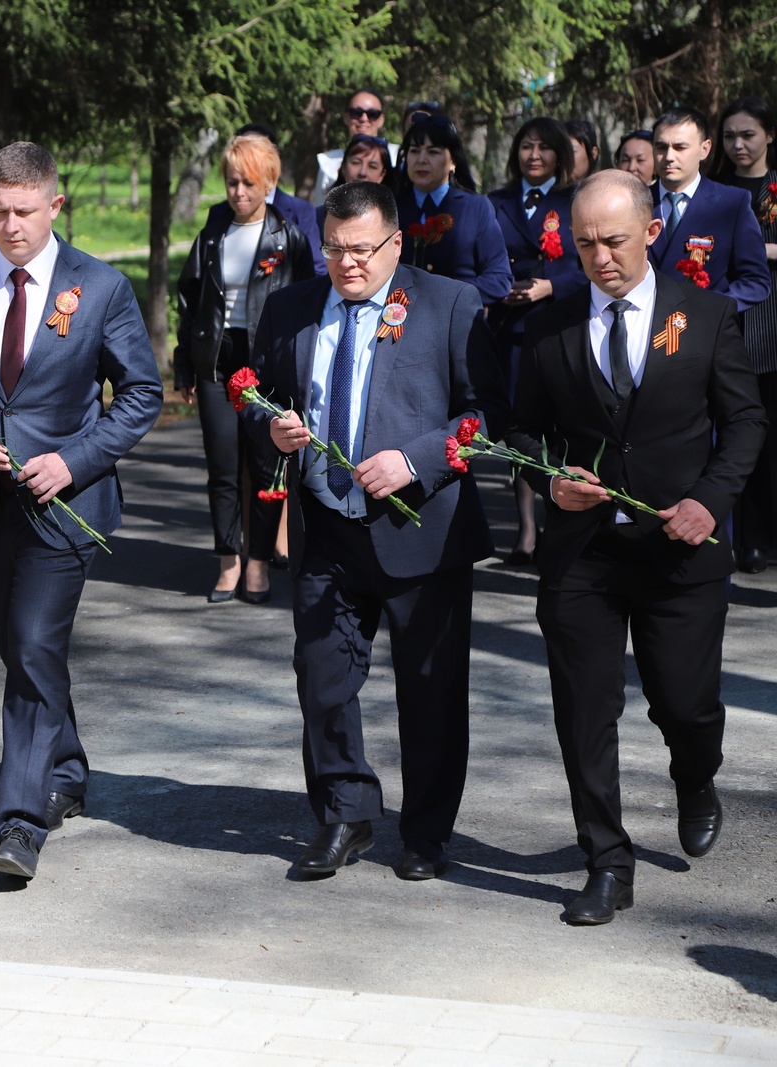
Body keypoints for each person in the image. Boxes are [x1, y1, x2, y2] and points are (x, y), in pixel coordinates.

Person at [507, 170, 765, 924]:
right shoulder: (548, 328)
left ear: (652, 233)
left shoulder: (708, 315)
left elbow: (746, 423)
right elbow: (520, 429)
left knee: (684, 705)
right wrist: (552, 478)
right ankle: (607, 862)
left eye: (614, 240)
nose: (599, 258)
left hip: (680, 551)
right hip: (583, 552)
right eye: (584, 243)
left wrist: (709, 502)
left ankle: (696, 775)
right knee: (584, 711)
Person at [0, 142, 162, 880]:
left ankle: (18, 824)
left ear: (55, 205)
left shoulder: (102, 287)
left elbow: (140, 394)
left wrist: (76, 458)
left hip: (65, 506)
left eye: (24, 211)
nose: (11, 226)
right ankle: (68, 766)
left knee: (30, 644)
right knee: (26, 648)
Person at [243, 181, 508, 882]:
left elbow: (485, 419)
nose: (347, 264)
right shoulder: (292, 306)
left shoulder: (448, 304)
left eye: (362, 250)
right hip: (327, 525)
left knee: (430, 692)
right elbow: (258, 399)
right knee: (322, 681)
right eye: (333, 248)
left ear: (396, 243)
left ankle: (425, 831)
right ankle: (345, 812)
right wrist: (272, 426)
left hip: (422, 530)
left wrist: (416, 460)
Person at [174, 133, 317, 604]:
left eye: (249, 183)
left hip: (264, 367)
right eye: (232, 182)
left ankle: (258, 565)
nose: (238, 193)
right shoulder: (212, 232)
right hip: (216, 359)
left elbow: (302, 307)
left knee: (264, 465)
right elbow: (189, 301)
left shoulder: (288, 238)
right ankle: (228, 562)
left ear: (269, 182)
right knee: (221, 468)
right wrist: (183, 367)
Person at [486, 117, 585, 564]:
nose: (534, 155)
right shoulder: (497, 202)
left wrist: (551, 286)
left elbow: (591, 261)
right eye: (526, 146)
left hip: (560, 322)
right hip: (510, 327)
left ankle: (557, 516)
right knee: (519, 427)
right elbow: (483, 256)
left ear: (559, 155)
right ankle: (525, 528)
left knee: (560, 424)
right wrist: (498, 286)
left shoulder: (575, 200)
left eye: (544, 147)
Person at [716, 96, 777, 574]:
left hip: (773, 315)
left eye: (748, 135)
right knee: (741, 434)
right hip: (731, 320)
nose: (738, 144)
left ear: (769, 136)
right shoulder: (716, 190)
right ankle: (748, 539)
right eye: (730, 136)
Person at [648, 107, 772, 313]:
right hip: (644, 330)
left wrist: (711, 309)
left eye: (680, 147)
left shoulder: (732, 203)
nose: (669, 156)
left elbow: (755, 281)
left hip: (704, 331)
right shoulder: (636, 201)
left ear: (704, 149)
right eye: (661, 147)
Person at [395, 116, 514, 305]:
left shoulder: (476, 207)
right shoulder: (391, 207)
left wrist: (449, 298)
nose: (422, 160)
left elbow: (499, 279)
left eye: (433, 152)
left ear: (453, 162)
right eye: (415, 151)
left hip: (457, 320)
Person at [239, 122, 327, 277]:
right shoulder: (220, 212)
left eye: (259, 152)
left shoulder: (301, 211)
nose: (250, 160)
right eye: (243, 152)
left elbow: (317, 270)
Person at [313, 90, 401, 205]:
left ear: (381, 120)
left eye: (373, 114)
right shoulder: (328, 162)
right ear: (345, 117)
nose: (364, 118)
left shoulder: (398, 156)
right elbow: (321, 208)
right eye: (356, 112)